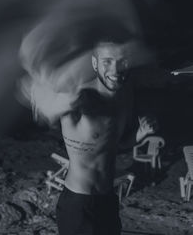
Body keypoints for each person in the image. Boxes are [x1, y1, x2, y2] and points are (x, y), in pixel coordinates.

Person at [30, 37, 155, 234]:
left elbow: (116, 145)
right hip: (78, 204)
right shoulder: (81, 96)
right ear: (95, 63)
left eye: (122, 61)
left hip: (107, 199)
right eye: (107, 61)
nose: (115, 70)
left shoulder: (124, 97)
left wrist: (139, 135)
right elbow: (46, 111)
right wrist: (43, 97)